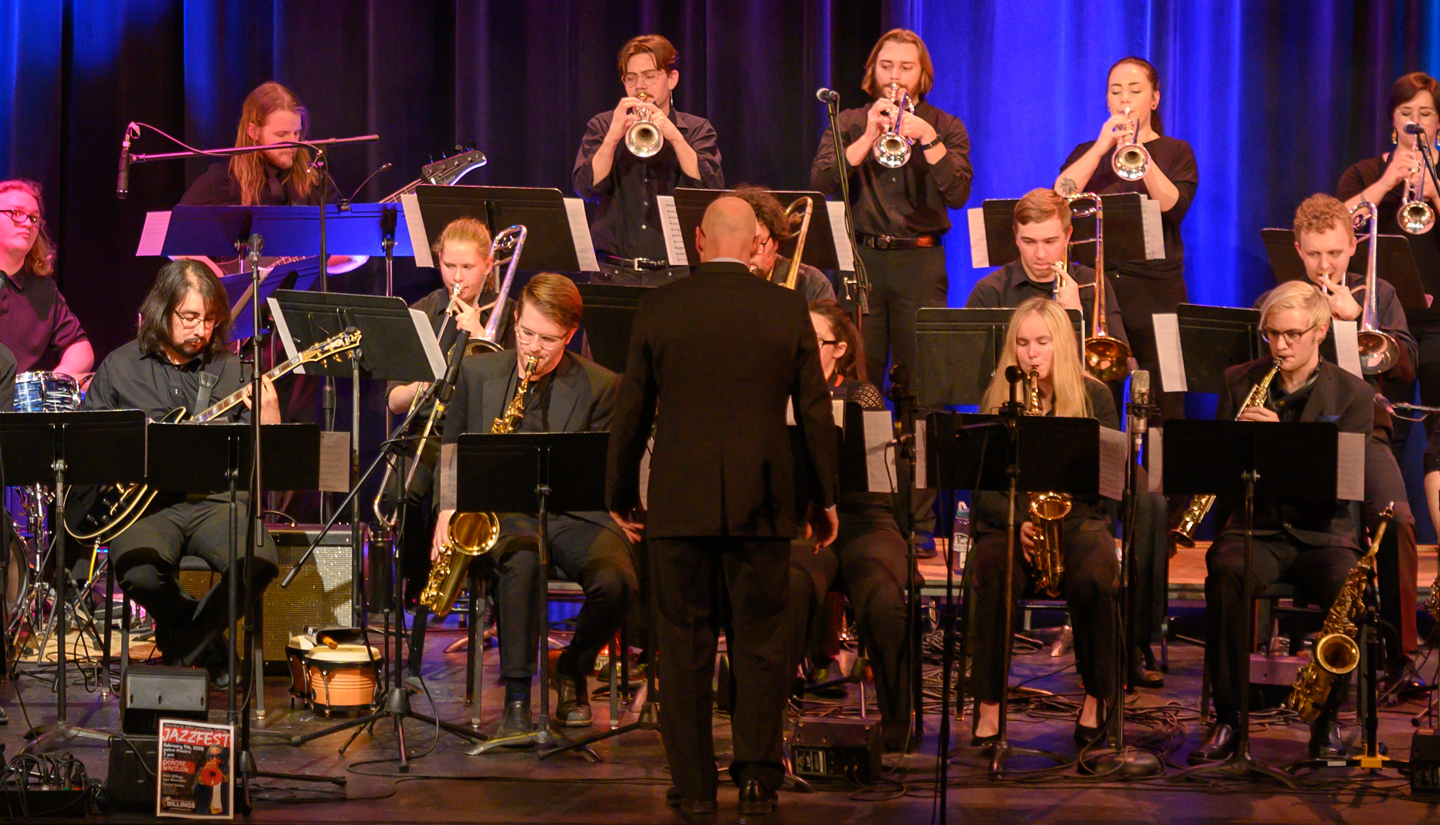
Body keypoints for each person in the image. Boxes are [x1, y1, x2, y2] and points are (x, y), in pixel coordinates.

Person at [606, 196, 839, 816]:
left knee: (681, 649)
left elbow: (631, 410)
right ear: (756, 243)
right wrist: (825, 498)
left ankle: (694, 786)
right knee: (760, 645)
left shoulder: (659, 305)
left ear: (700, 241)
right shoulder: (786, 306)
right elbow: (814, 413)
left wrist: (619, 493)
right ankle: (759, 779)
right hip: (762, 503)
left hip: (678, 505)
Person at [434, 272, 636, 735]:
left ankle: (572, 669)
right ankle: (519, 700)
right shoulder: (477, 370)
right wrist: (447, 507)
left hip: (574, 513)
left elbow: (602, 473)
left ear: (570, 335)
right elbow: (452, 448)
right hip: (502, 512)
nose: (533, 348)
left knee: (618, 582)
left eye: (547, 339)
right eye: (525, 333)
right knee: (522, 561)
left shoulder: (602, 385)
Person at [1189, 281, 1374, 764]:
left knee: (1346, 585)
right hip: (1258, 527)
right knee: (1226, 571)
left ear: (1320, 331)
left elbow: (1343, 482)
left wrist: (1282, 442)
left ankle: (1328, 722)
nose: (1281, 346)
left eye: (1292, 334)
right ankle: (1230, 718)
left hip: (1323, 532)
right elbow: (1221, 475)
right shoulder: (1239, 381)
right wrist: (1235, 448)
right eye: (1272, 334)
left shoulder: (1354, 393)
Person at [79, 259, 281, 687]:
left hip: (216, 502)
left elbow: (267, 466)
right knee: (137, 569)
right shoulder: (120, 367)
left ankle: (185, 640)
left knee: (259, 561)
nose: (201, 331)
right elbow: (88, 446)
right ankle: (211, 646)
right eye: (189, 318)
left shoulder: (234, 370)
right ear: (162, 311)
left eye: (210, 320)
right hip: (147, 510)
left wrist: (272, 419)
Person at [1252, 194, 1419, 682]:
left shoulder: (1377, 293)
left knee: (1397, 522)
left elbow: (1406, 369)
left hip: (1363, 435)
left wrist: (1353, 322)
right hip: (1291, 437)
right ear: (1299, 252)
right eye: (1314, 255)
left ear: (1353, 246)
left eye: (1335, 253)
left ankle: (1400, 657)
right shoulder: (1280, 299)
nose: (1325, 265)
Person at [966, 298, 1120, 748]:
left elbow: (1109, 481)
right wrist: (1019, 523)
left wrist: (1058, 514)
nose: (1032, 354)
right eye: (1023, 343)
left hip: (1077, 519)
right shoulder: (997, 401)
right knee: (994, 573)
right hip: (1014, 524)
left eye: (1043, 342)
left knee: (1094, 578)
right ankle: (990, 705)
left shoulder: (1096, 398)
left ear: (1063, 346)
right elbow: (983, 491)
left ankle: (1097, 698)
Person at [810, 28, 971, 386]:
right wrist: (868, 136)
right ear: (873, 72)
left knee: (925, 375)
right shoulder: (851, 122)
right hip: (863, 262)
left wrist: (928, 138)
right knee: (857, 372)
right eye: (886, 66)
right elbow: (821, 183)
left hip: (921, 263)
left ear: (922, 75)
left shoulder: (946, 126)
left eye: (906, 67)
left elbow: (958, 194)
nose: (895, 76)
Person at [785, 300, 910, 750]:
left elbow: (875, 480)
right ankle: (774, 717)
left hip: (862, 521)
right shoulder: (777, 393)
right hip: (802, 522)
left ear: (838, 349)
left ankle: (899, 722)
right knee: (791, 588)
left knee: (882, 600)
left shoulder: (860, 395)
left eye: (812, 342)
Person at [1055, 56, 1199, 421]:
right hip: (1098, 291)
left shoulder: (1176, 151)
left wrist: (1141, 155)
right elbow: (1060, 196)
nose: (1125, 99)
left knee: (1166, 398)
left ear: (1154, 99)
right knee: (1095, 397)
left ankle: (1162, 478)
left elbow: (1174, 206)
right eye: (1116, 91)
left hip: (1158, 292)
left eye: (1135, 91)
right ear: (1106, 101)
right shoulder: (1087, 151)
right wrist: (1103, 146)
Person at [384, 217, 516, 600]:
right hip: (428, 430)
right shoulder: (422, 312)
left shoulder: (506, 314)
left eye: (468, 267)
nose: (457, 276)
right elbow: (394, 401)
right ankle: (414, 589)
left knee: (456, 499)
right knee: (397, 495)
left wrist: (479, 337)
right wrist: (427, 384)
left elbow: (510, 389)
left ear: (489, 265)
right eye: (449, 265)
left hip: (477, 436)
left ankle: (476, 594)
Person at [1339, 72, 1440, 455]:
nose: (1416, 121)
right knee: (1386, 428)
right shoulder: (1364, 173)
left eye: (1426, 113)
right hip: (1383, 322)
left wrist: (1435, 192)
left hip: (1438, 325)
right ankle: (1384, 512)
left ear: (1438, 122)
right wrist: (1385, 183)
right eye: (1406, 111)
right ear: (1394, 121)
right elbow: (1334, 227)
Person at [573, 34, 724, 286]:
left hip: (675, 277)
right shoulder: (603, 125)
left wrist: (675, 137)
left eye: (650, 75)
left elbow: (711, 189)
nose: (640, 85)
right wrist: (613, 136)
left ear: (672, 79)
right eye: (631, 78)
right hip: (612, 273)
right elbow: (585, 187)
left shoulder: (697, 129)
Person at [964, 188, 1128, 372]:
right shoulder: (990, 291)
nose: (1040, 254)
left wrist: (1075, 320)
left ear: (1068, 236)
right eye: (1029, 242)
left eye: (1050, 242)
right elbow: (970, 368)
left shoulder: (1093, 284)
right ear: (1015, 238)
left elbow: (1114, 370)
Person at [0, 180, 92, 377]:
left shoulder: (43, 290)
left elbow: (80, 348)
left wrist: (52, 383)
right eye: (16, 213)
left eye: (34, 218)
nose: (27, 223)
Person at [731, 186, 836, 305]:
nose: (749, 253)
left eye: (758, 242)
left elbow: (828, 323)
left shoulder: (812, 283)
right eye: (741, 243)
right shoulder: (718, 282)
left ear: (776, 242)